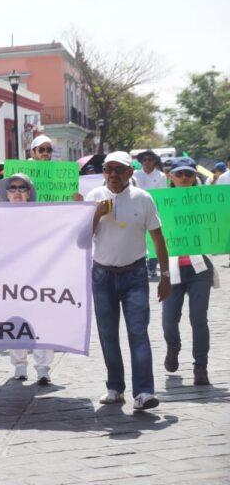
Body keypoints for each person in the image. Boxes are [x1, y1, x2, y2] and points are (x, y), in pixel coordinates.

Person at [86, 151, 171, 410]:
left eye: (119, 169)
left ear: (130, 173)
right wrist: (96, 215)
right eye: (109, 169)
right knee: (108, 334)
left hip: (135, 273)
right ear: (103, 172)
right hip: (102, 274)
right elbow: (80, 238)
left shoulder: (143, 199)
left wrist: (165, 276)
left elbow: (158, 238)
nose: (113, 174)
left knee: (138, 332)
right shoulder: (93, 198)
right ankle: (114, 387)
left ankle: (144, 392)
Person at [161, 158, 217, 386]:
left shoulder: (206, 201)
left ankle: (200, 366)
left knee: (198, 318)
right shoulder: (159, 202)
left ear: (195, 176)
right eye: (179, 174)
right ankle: (173, 347)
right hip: (172, 269)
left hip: (199, 269)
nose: (184, 178)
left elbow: (219, 223)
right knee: (168, 321)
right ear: (170, 176)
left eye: (188, 174)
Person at [0, 174, 54, 385]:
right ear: (7, 193)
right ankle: (19, 366)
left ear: (29, 192)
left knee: (42, 323)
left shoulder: (42, 216)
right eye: (12, 188)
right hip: (10, 279)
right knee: (14, 322)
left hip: (38, 277)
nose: (17, 192)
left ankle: (43, 368)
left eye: (22, 188)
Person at [133, 150, 168, 278]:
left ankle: (152, 266)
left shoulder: (161, 176)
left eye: (150, 159)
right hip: (137, 211)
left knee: (155, 239)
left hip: (154, 210)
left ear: (154, 161)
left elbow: (162, 195)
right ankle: (141, 264)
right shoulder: (135, 175)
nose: (147, 162)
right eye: (144, 160)